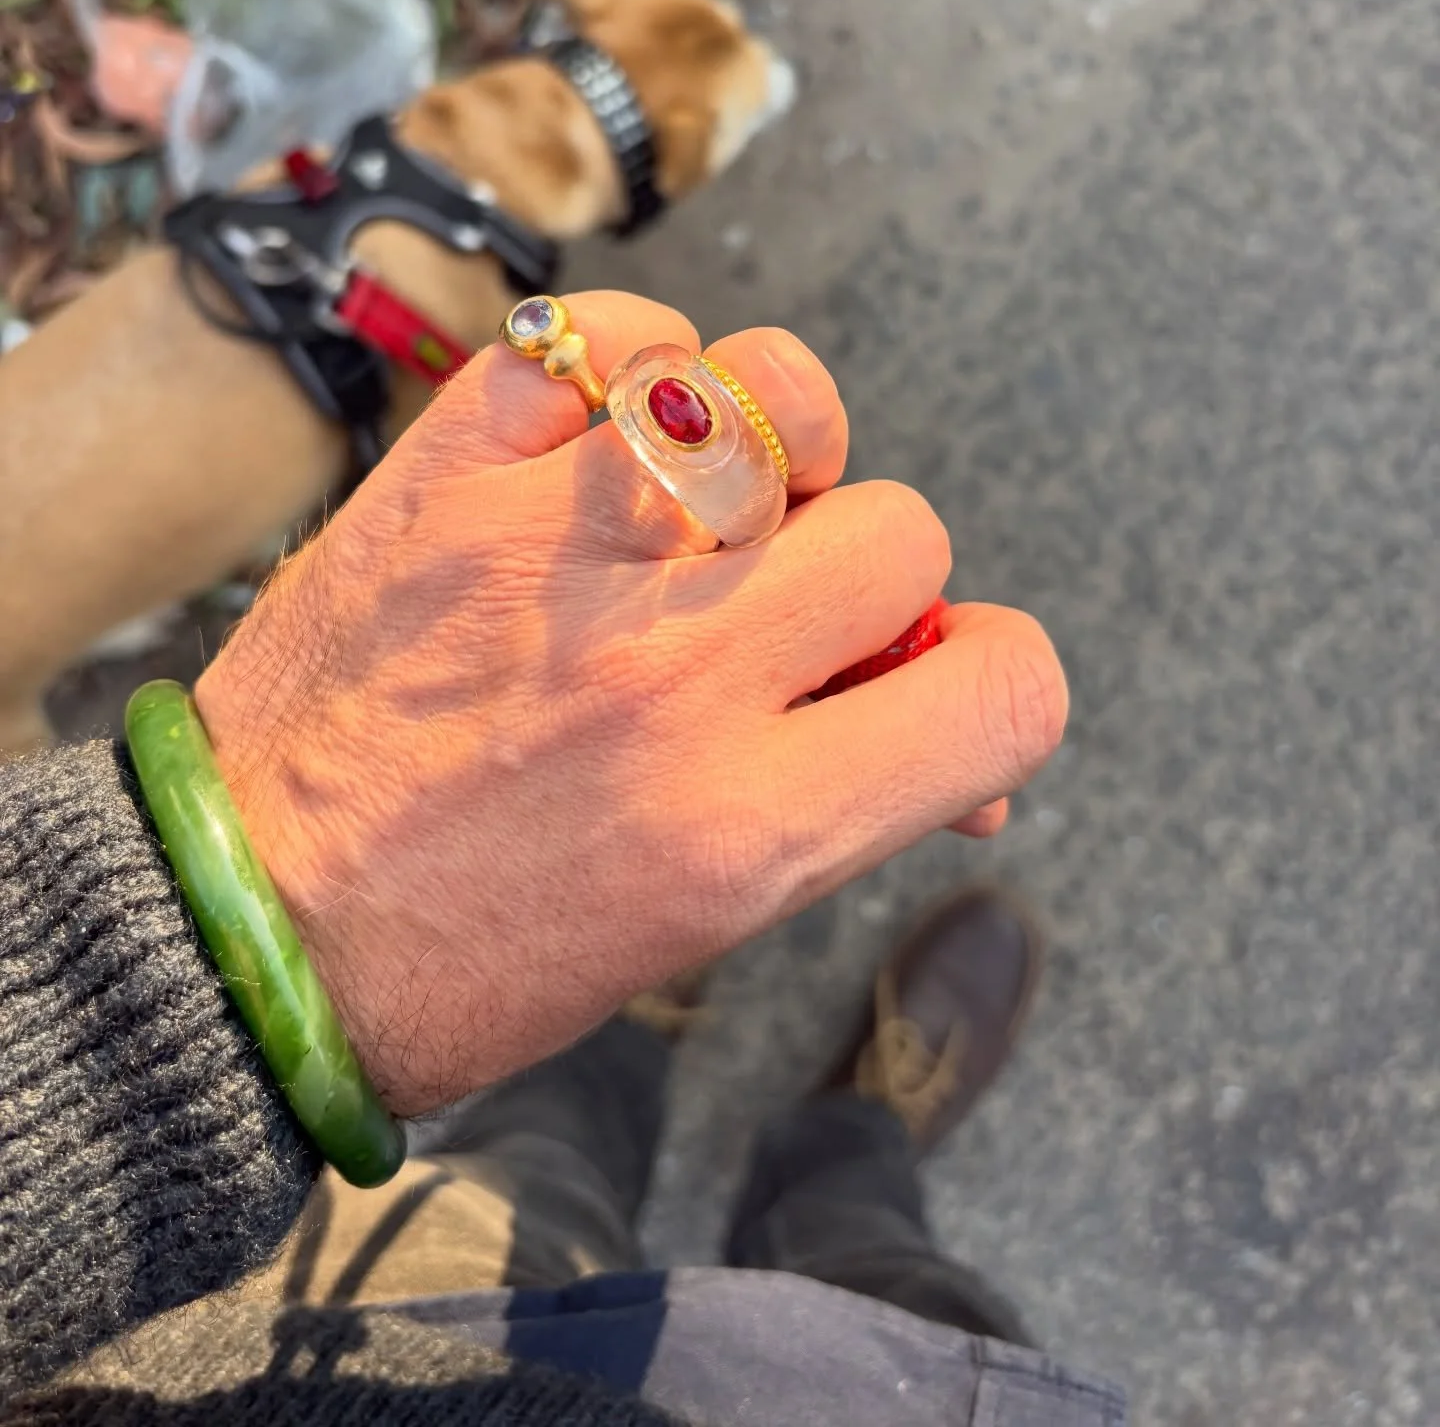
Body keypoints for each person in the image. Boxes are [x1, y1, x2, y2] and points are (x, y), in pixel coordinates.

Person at [0, 292, 1123, 1425]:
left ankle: (624, 1019)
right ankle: (850, 1142)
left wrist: (137, 1011)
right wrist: (288, 893)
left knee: (542, 1162)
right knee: (888, 1275)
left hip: (361, 1311)